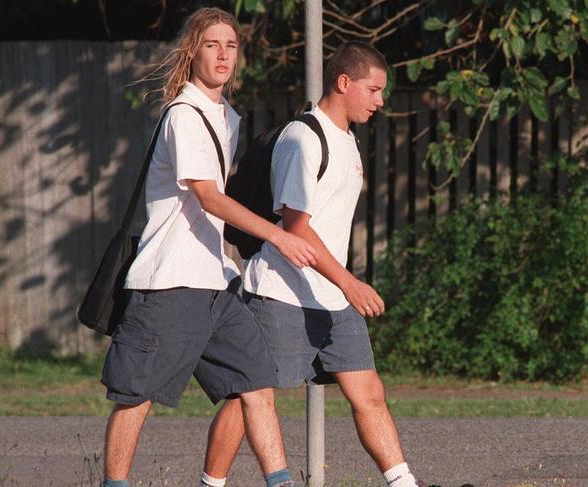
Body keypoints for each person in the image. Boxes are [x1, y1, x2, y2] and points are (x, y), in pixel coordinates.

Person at [99, 8, 318, 487]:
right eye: (212, 45)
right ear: (193, 50)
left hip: (218, 282)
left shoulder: (226, 116)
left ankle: (280, 482)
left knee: (256, 386)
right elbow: (207, 195)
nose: (223, 54)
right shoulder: (185, 114)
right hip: (171, 281)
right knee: (137, 395)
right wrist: (276, 233)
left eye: (231, 45)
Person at [202, 42, 422, 487]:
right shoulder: (303, 138)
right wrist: (350, 284)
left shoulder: (346, 140)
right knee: (250, 398)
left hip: (330, 299)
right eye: (374, 90)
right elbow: (296, 226)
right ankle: (211, 484)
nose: (380, 101)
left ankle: (404, 483)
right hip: (281, 295)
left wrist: (341, 289)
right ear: (344, 83)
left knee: (370, 394)